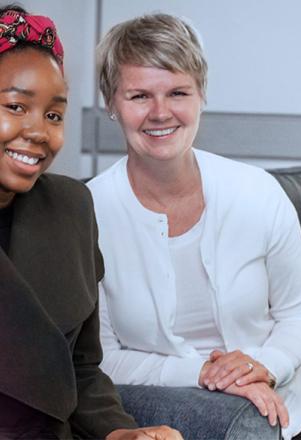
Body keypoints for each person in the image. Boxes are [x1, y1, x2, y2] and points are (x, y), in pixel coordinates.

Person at [88, 13, 301, 440]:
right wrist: (207, 373)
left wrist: (265, 365)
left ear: (201, 94)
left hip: (281, 393)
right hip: (163, 408)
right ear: (111, 103)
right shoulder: (87, 211)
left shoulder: (258, 192)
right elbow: (99, 357)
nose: (160, 112)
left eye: (178, 92)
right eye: (139, 95)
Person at [0, 5, 183, 440]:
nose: (40, 132)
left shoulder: (70, 207)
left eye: (54, 114)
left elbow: (79, 369)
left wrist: (119, 433)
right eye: (15, 105)